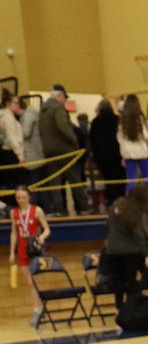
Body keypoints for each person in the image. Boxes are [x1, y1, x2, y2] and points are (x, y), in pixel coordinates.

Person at [37, 85, 90, 214]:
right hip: (64, 149)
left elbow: (41, 130)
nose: (64, 100)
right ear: (59, 96)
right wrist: (74, 141)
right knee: (74, 179)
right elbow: (63, 128)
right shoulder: (58, 108)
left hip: (49, 150)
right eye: (64, 98)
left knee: (55, 182)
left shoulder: (42, 110)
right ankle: (84, 207)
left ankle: (59, 209)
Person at [105, 183, 148, 312]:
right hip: (129, 250)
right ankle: (131, 308)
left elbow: (107, 223)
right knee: (131, 279)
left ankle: (118, 307)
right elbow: (139, 234)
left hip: (113, 249)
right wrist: (146, 254)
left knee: (118, 280)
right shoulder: (134, 209)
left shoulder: (117, 203)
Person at [8, 183, 51, 325]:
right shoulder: (14, 212)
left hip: (34, 249)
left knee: (34, 281)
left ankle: (38, 309)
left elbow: (47, 229)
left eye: (23, 197)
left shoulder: (37, 210)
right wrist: (11, 253)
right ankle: (38, 308)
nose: (21, 200)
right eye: (18, 198)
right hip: (21, 249)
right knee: (28, 282)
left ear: (29, 197)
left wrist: (42, 237)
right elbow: (14, 232)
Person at [89, 99, 126, 207]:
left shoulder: (95, 122)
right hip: (116, 154)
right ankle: (120, 199)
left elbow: (92, 139)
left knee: (107, 178)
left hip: (102, 156)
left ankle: (109, 199)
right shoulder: (117, 119)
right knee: (118, 178)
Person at [117, 94, 148, 190]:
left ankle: (130, 201)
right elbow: (146, 136)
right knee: (146, 178)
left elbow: (119, 138)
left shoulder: (122, 120)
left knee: (131, 179)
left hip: (128, 152)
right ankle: (147, 200)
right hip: (142, 152)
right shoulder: (141, 118)